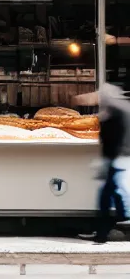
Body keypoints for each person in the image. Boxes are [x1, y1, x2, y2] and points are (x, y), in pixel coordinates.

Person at [74, 83, 130, 244]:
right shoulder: (121, 108)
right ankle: (110, 229)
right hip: (118, 158)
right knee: (115, 194)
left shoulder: (116, 111)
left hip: (117, 158)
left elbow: (113, 138)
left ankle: (102, 234)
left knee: (106, 197)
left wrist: (107, 161)